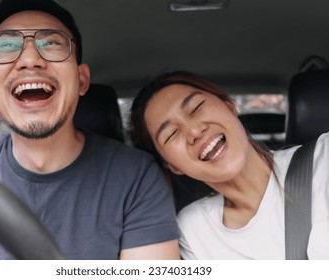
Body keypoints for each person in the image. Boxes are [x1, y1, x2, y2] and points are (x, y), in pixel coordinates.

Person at [0, 0, 180, 260]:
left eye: (51, 44)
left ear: (81, 80)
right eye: (7, 45)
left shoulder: (137, 176)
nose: (30, 60)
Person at [130, 70, 329, 259]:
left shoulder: (324, 158)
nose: (194, 132)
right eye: (171, 134)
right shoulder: (194, 230)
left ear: (230, 106)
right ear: (173, 166)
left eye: (196, 108)